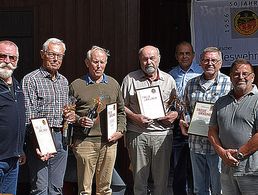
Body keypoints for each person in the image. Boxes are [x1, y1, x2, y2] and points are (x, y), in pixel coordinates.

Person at [121, 45, 178, 195]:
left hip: (162, 135)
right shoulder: (130, 79)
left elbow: (177, 107)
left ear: (158, 59)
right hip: (138, 134)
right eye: (145, 59)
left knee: (161, 181)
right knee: (139, 180)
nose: (148, 62)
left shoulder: (169, 79)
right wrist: (135, 117)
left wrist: (174, 115)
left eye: (152, 58)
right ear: (140, 60)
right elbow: (121, 106)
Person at [69, 45, 126, 195]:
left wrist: (121, 130)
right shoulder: (76, 85)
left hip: (109, 142)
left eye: (102, 62)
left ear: (106, 63)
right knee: (84, 190)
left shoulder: (114, 84)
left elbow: (121, 111)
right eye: (95, 62)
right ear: (87, 63)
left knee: (105, 189)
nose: (99, 65)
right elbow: (69, 114)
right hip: (85, 142)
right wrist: (79, 120)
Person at [22, 38, 74, 194]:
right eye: (51, 54)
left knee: (57, 188)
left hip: (60, 137)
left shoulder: (64, 81)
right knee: (40, 188)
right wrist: (37, 143)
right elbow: (29, 114)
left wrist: (70, 115)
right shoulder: (31, 80)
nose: (56, 59)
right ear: (42, 54)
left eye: (60, 55)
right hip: (40, 137)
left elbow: (66, 110)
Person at [180, 47, 231, 195]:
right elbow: (186, 109)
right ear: (200, 62)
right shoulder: (191, 84)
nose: (210, 63)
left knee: (219, 188)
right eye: (206, 60)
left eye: (214, 60)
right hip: (196, 144)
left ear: (220, 63)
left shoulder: (229, 84)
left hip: (218, 146)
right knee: (198, 189)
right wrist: (184, 121)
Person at [208, 58, 258, 195]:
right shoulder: (221, 102)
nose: (240, 77)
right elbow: (212, 130)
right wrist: (222, 153)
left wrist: (240, 154)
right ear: (230, 77)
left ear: (252, 77)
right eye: (236, 74)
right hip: (226, 169)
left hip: (252, 171)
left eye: (245, 74)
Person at [168, 41, 202, 195]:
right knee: (178, 167)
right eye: (181, 53)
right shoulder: (169, 75)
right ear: (176, 56)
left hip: (197, 124)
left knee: (197, 167)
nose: (184, 56)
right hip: (176, 125)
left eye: (188, 53)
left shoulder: (202, 74)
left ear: (193, 55)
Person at [0, 40, 26, 195]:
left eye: (12, 58)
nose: (7, 61)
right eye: (2, 56)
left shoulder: (16, 85)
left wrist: (20, 149)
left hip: (13, 159)